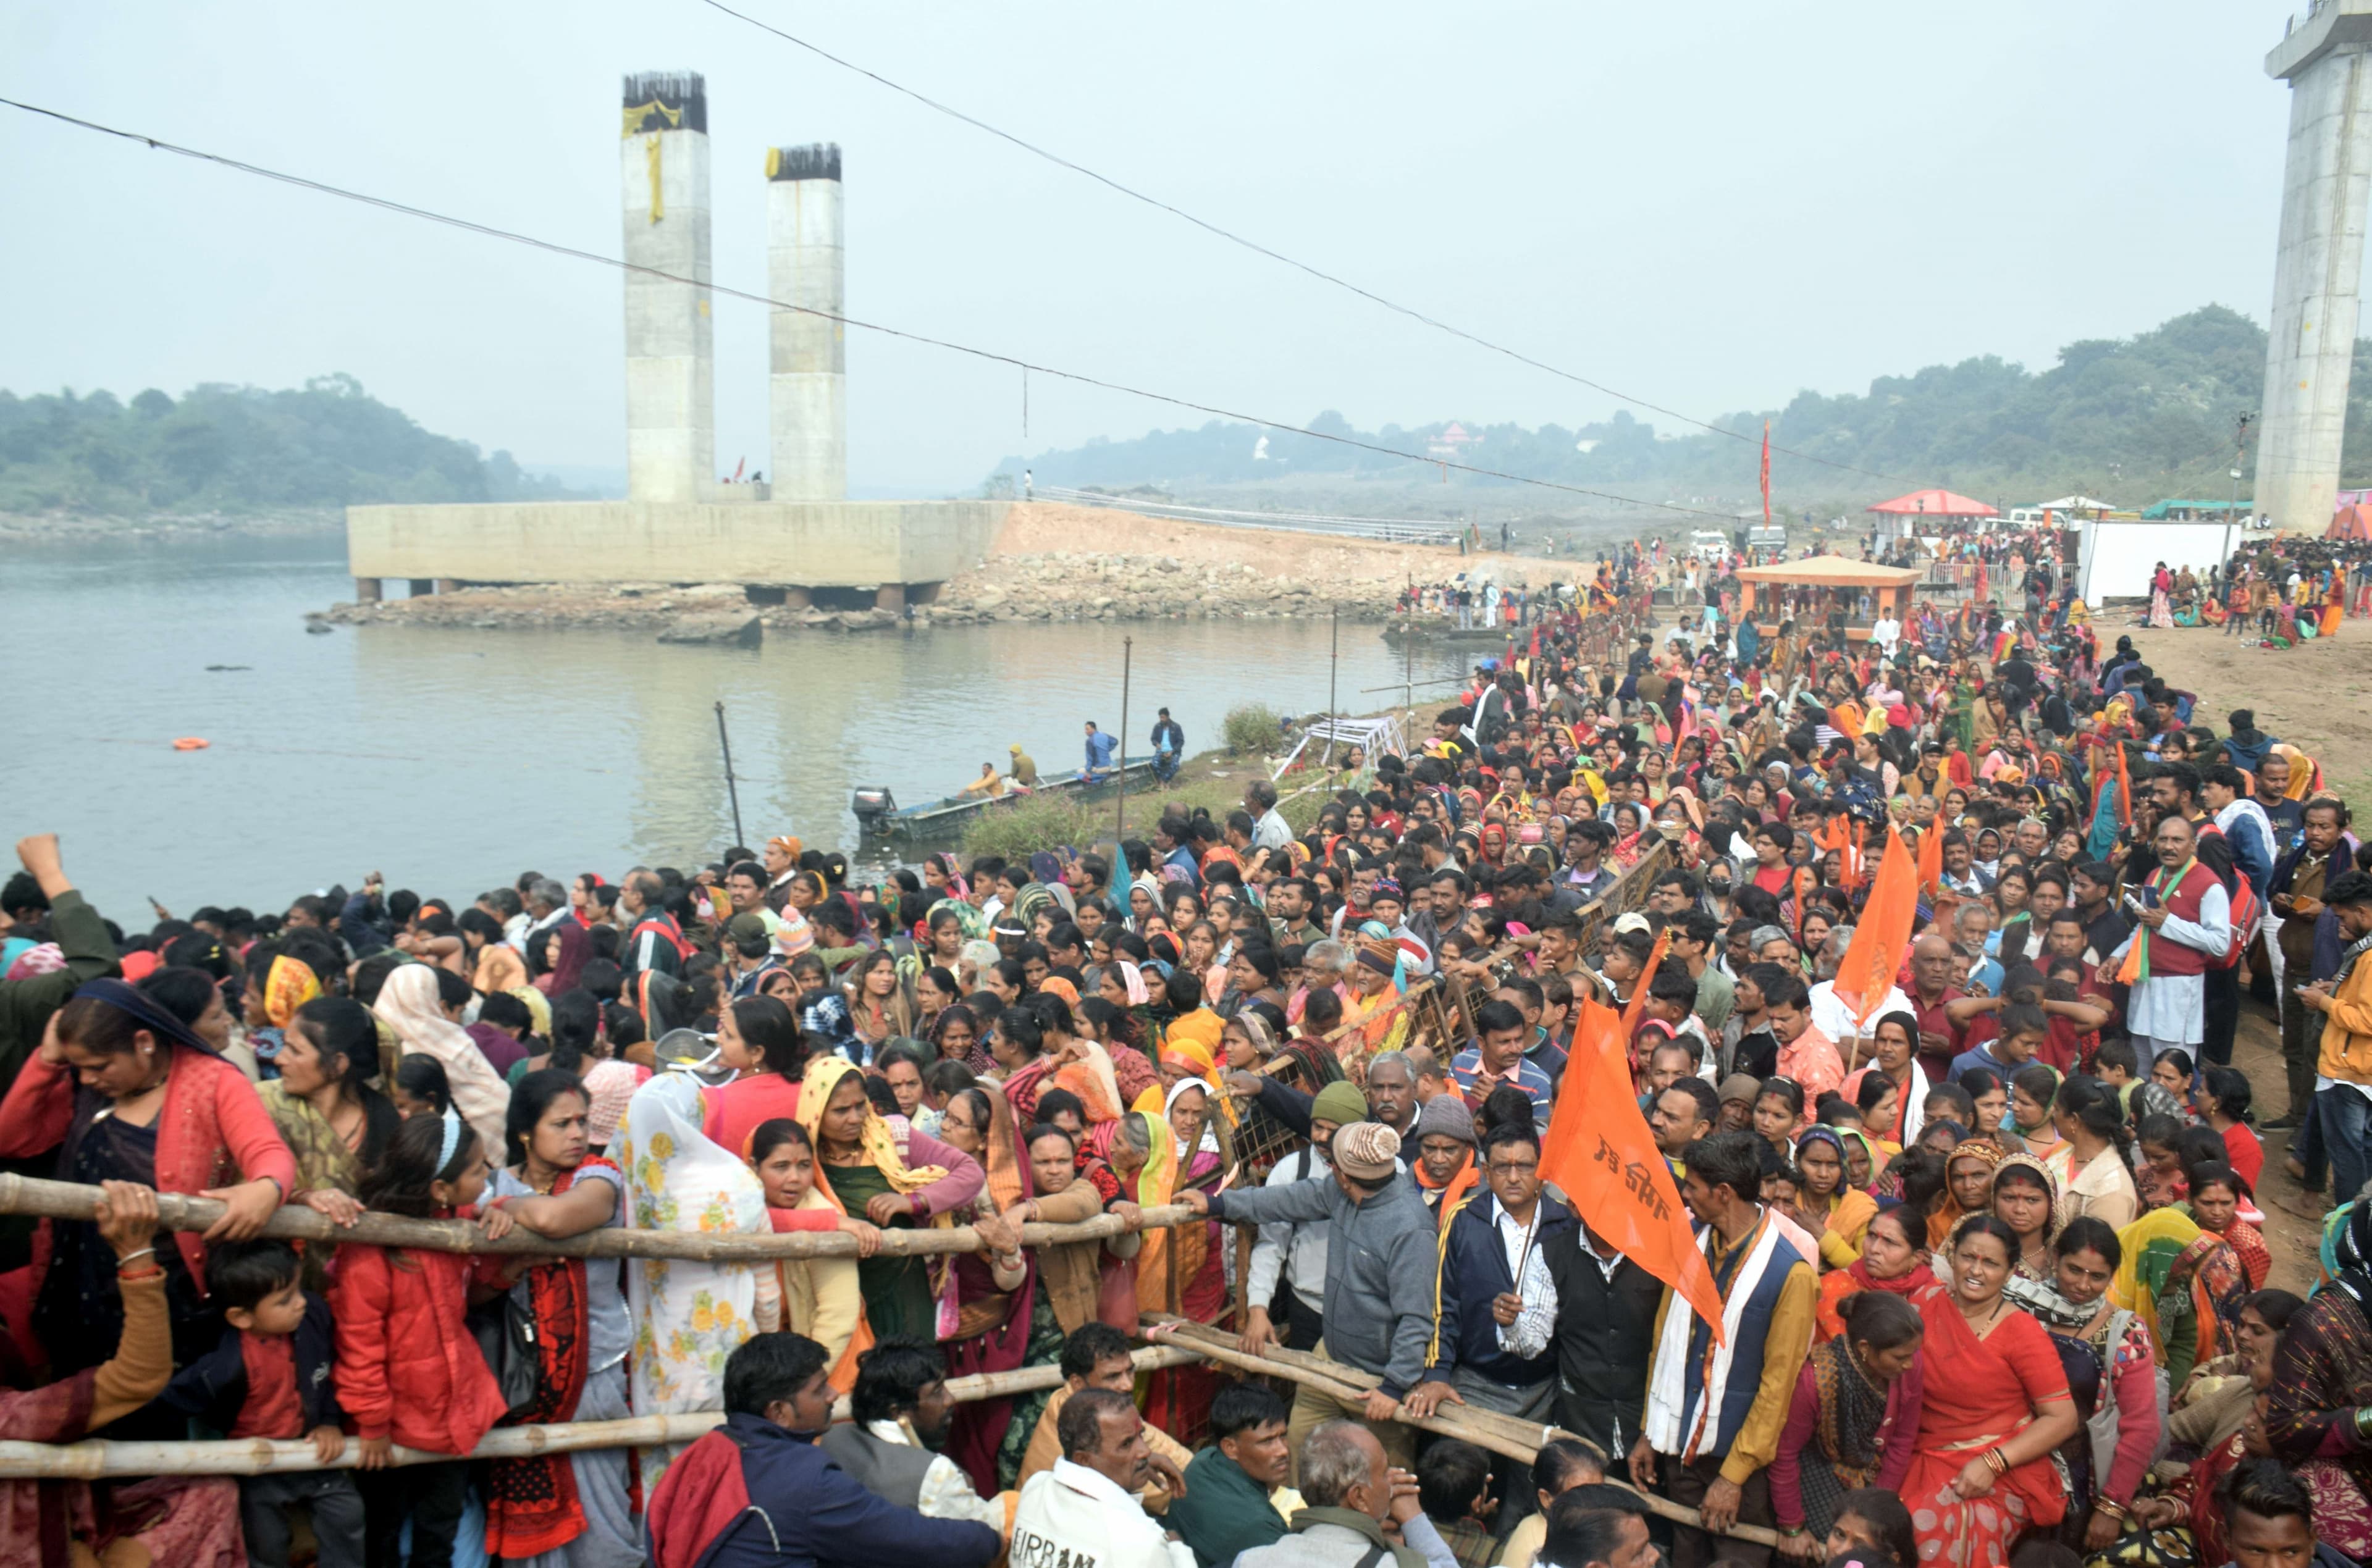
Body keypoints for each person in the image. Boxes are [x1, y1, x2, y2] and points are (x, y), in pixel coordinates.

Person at [2, 978, 298, 1381]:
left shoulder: (213, 1082)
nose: (89, 1078)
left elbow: (269, 1153)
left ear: (144, 1041)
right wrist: (47, 1060)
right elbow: (13, 1137)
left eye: (100, 1066)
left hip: (173, 1295)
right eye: (81, 1068)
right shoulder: (86, 1088)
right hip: (78, 1285)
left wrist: (267, 1188)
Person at [1177, 1119, 1436, 1471]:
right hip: (1329, 1355)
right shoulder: (1341, 1193)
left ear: (1345, 1176)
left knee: (1384, 1473)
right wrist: (1219, 1205)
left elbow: (1416, 1317)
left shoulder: (1410, 1228)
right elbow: (1286, 1199)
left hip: (1378, 1376)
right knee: (1300, 1449)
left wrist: (1393, 1387)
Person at [644, 1330, 1001, 1568]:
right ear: (779, 1412)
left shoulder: (709, 1449)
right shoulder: (804, 1479)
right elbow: (907, 1538)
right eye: (819, 1390)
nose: (833, 1395)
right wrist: (989, 1537)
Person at [333, 1108, 513, 1568]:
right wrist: (372, 1421)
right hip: (392, 1422)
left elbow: (471, 1285)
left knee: (441, 1524)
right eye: (477, 1169)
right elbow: (360, 1342)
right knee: (385, 1527)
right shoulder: (371, 1248)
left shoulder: (454, 1220)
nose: (487, 1173)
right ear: (439, 1188)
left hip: (450, 1409)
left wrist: (493, 1218)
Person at [1630, 1132, 1817, 1568]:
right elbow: (1664, 1343)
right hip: (1679, 1453)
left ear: (1724, 1193)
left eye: (1692, 1186)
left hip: (1739, 1469)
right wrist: (1648, 1431)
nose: (1685, 1193)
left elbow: (1777, 1388)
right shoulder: (1688, 1241)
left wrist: (1733, 1478)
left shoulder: (1791, 1274)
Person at [160, 1237, 361, 1568]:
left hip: (313, 1453)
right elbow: (170, 1403)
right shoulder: (222, 1367)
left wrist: (328, 1421)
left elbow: (331, 1370)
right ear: (241, 1317)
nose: (300, 1303)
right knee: (265, 1541)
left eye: (298, 1290)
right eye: (285, 1300)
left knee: (347, 1511)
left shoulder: (314, 1316)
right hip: (258, 1465)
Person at [1901, 1215, 2079, 1566]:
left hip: (1999, 1463)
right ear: (1951, 1256)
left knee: (1949, 1527)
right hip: (1921, 1452)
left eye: (1991, 1263)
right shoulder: (1923, 1302)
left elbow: (2062, 1417)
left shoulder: (2021, 1331)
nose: (1976, 1271)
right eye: (1968, 1258)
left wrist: (1992, 1463)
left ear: (2011, 1271)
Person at [1769, 1289, 1924, 1555]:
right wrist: (1792, 1526)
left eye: (1913, 1354)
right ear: (1865, 1349)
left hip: (1874, 1476)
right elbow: (1785, 1455)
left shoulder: (1909, 1365)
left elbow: (1901, 1439)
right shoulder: (1815, 1382)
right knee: (1832, 1542)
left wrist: (1875, 1510)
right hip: (1817, 1468)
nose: (1910, 1364)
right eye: (1900, 1358)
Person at [818, 1340, 1008, 1526]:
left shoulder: (833, 1438)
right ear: (897, 1411)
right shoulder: (934, 1474)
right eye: (937, 1392)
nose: (949, 1400)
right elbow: (990, 1534)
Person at [1230, 1419, 1461, 1568]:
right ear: (1359, 1497)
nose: (1390, 1481)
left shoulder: (1250, 1561)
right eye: (1383, 1473)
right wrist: (1413, 1517)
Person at [1011, 1387, 1197, 1568]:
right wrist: (1177, 1548)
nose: (1146, 1450)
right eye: (1126, 1444)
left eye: (1141, 1436)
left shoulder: (1035, 1486)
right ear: (1083, 1460)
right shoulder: (1141, 1540)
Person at [1166, 1380, 1295, 1568]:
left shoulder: (1204, 1460)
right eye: (1267, 1441)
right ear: (1230, 1448)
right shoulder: (1258, 1525)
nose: (1283, 1450)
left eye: (1283, 1436)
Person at [1152, 709, 1186, 786]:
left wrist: (1173, 751)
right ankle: (1161, 779)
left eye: (1163, 717)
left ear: (1168, 717)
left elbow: (1181, 741)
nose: (1162, 720)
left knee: (1175, 766)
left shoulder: (1176, 727)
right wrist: (1157, 744)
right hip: (1161, 750)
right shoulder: (1157, 727)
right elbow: (1153, 739)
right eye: (1160, 718)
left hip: (1173, 751)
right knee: (1154, 763)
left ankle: (1164, 781)